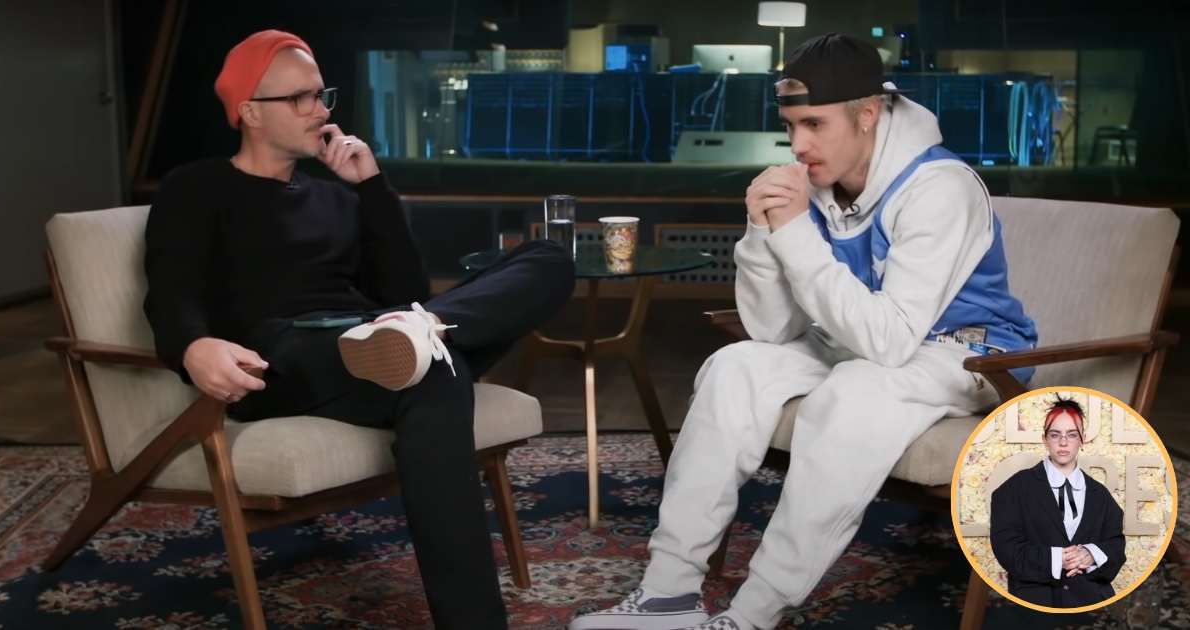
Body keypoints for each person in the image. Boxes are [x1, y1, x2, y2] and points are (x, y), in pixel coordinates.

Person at [570, 33, 1037, 630]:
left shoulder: (940, 187)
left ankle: (753, 614)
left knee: (853, 391)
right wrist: (762, 232)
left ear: (868, 114)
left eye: (815, 124)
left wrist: (793, 232)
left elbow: (889, 343)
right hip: (858, 343)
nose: (798, 145)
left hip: (968, 353)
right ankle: (668, 594)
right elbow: (772, 329)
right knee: (735, 367)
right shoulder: (818, 182)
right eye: (791, 125)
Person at [143, 30, 574, 630]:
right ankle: (422, 341)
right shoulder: (197, 187)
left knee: (548, 259)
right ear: (250, 113)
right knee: (434, 372)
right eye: (301, 98)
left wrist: (371, 186)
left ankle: (424, 334)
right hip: (283, 353)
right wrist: (194, 345)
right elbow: (170, 289)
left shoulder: (337, 195)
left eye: (322, 94)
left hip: (375, 338)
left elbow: (404, 287)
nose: (321, 110)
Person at [989, 398, 1126, 608]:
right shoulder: (1013, 490)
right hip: (1034, 599)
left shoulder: (1101, 495)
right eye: (1055, 435)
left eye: (1072, 434)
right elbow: (1006, 548)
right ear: (1044, 439)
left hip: (1091, 599)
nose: (1063, 442)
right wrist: (1056, 559)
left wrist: (1091, 554)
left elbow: (1116, 546)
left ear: (1083, 439)